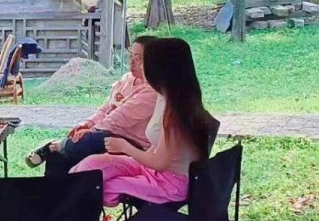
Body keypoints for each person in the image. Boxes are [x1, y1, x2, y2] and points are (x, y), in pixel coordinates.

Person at [70, 37, 216, 208]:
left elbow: (159, 163)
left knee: (95, 187)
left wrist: (124, 147)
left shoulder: (177, 111)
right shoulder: (166, 97)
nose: (139, 66)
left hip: (169, 182)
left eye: (144, 62)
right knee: (90, 166)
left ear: (161, 69)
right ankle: (69, 214)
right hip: (152, 169)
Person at [26, 35, 160, 176]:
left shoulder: (152, 91)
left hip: (132, 144)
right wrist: (87, 124)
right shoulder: (126, 79)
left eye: (138, 58)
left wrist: (93, 130)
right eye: (131, 56)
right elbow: (105, 109)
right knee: (59, 157)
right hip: (107, 133)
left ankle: (58, 145)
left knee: (93, 139)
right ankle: (51, 193)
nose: (132, 62)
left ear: (151, 61)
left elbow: (120, 116)